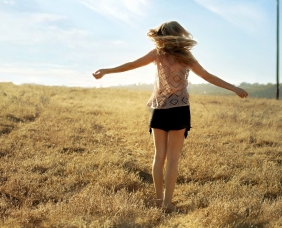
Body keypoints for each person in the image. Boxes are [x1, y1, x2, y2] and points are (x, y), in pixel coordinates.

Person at [92, 21, 248, 213]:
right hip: (179, 109)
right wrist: (234, 88)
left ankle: (158, 200)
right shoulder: (186, 56)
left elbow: (132, 64)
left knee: (159, 156)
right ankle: (167, 203)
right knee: (173, 159)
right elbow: (207, 76)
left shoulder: (157, 54)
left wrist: (107, 70)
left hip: (159, 108)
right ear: (179, 34)